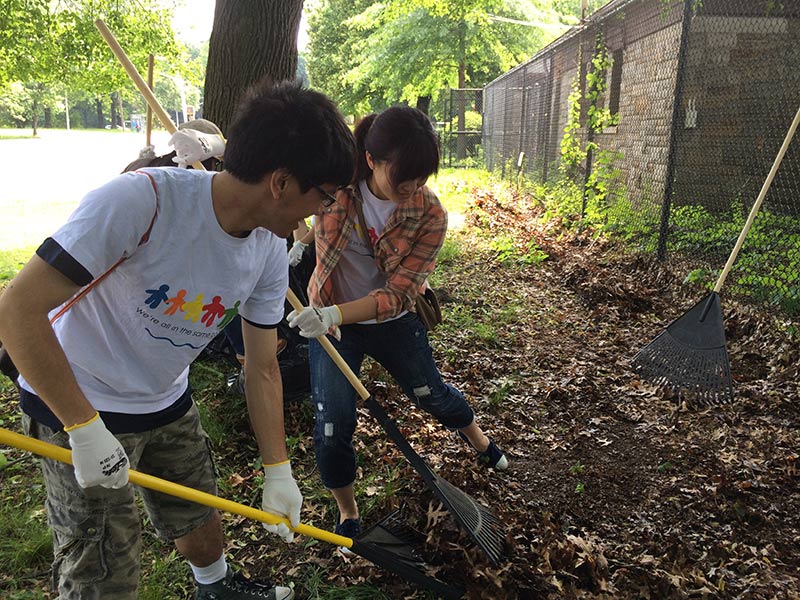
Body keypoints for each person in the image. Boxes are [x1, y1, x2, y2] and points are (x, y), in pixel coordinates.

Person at [0, 79, 355, 600]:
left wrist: (277, 467)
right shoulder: (142, 202)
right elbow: (16, 311)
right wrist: (83, 427)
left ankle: (216, 589)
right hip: (77, 396)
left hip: (165, 399)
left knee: (200, 521)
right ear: (280, 182)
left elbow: (261, 366)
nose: (321, 213)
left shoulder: (266, 252)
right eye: (321, 197)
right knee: (101, 567)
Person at [286, 105, 508, 542]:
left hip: (392, 321)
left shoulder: (430, 215)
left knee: (433, 396)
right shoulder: (337, 184)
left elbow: (400, 293)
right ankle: (348, 511)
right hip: (327, 325)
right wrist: (216, 154)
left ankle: (480, 440)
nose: (411, 189)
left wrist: (335, 314)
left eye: (421, 178)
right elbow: (282, 177)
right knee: (332, 425)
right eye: (401, 177)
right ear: (371, 160)